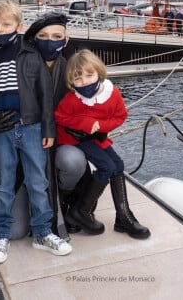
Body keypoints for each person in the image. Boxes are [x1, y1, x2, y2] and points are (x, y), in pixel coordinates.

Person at [0, 0, 72, 264]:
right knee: (4, 183)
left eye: (6, 24)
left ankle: (43, 231)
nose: (0, 29)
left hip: (31, 127)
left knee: (38, 182)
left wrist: (47, 127)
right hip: (1, 130)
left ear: (19, 26)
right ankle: (2, 233)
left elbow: (45, 96)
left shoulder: (31, 55)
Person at [55, 49, 150, 240]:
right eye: (78, 79)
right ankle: (82, 210)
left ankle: (123, 216)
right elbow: (59, 116)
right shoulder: (73, 98)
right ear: (71, 82)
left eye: (89, 76)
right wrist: (85, 123)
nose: (85, 82)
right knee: (106, 167)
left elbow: (120, 116)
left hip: (96, 137)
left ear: (99, 72)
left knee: (118, 165)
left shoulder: (111, 93)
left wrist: (101, 127)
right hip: (75, 139)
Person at [24, 13, 89, 234]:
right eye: (43, 36)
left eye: (56, 36)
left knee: (73, 161)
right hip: (27, 144)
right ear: (34, 39)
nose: (49, 41)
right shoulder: (22, 68)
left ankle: (64, 195)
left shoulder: (74, 72)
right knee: (16, 231)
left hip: (61, 142)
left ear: (66, 40)